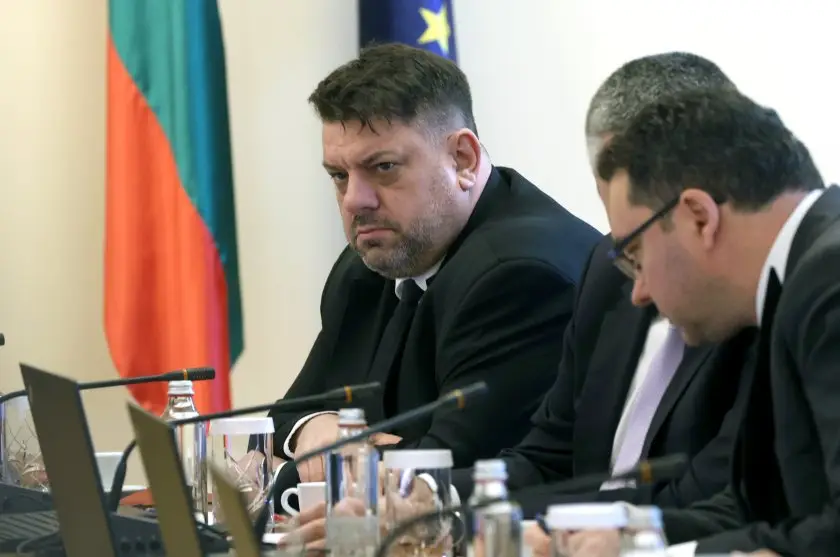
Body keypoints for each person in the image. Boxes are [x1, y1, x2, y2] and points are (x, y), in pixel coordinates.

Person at [257, 42, 601, 500]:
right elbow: (282, 420)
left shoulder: (518, 275)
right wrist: (313, 428)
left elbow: (447, 472)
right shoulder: (370, 264)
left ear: (463, 159)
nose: (355, 200)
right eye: (339, 176)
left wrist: (304, 466)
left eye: (383, 167)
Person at [560, 88, 832, 557]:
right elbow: (759, 510)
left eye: (635, 255)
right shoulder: (790, 283)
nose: (639, 292)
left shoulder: (828, 281)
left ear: (700, 218)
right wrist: (630, 540)